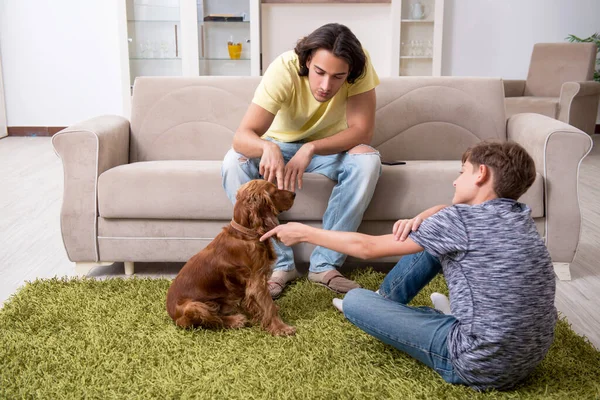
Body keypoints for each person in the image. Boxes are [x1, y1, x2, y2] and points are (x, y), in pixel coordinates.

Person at [260, 141, 557, 391]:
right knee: (429, 245)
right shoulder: (520, 216)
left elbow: (368, 248)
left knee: (355, 301)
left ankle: (381, 306)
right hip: (528, 359)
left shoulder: (459, 222)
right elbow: (454, 216)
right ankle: (412, 310)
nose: (455, 180)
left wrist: (304, 233)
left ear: (481, 173)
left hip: (475, 364)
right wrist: (429, 214)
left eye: (462, 172)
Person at [222, 23, 381, 298]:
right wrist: (267, 147)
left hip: (330, 150)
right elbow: (242, 136)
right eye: (319, 72)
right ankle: (280, 265)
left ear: (350, 73)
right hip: (279, 146)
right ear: (308, 61)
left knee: (368, 161)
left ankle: (324, 265)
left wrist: (310, 148)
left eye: (337, 77)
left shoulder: (360, 65)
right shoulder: (284, 68)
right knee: (232, 162)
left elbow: (361, 131)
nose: (325, 85)